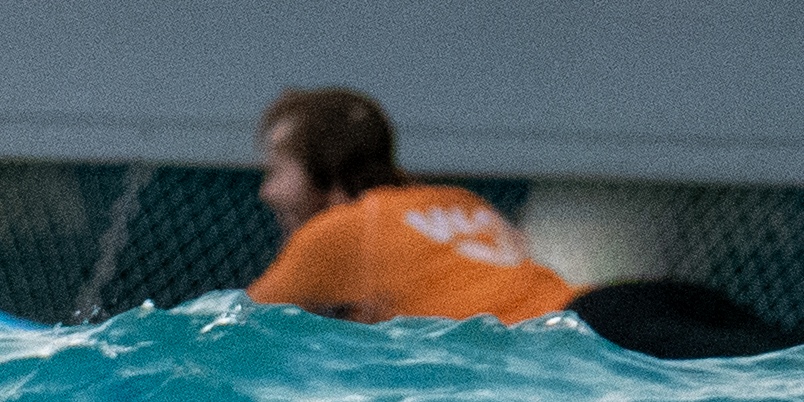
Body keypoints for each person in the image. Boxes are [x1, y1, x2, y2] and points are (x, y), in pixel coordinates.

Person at [243, 87, 574, 325]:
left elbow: (233, 328)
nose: (266, 192)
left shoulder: (338, 232)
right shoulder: (459, 200)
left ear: (326, 174)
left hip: (551, 339)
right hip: (586, 314)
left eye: (276, 171)